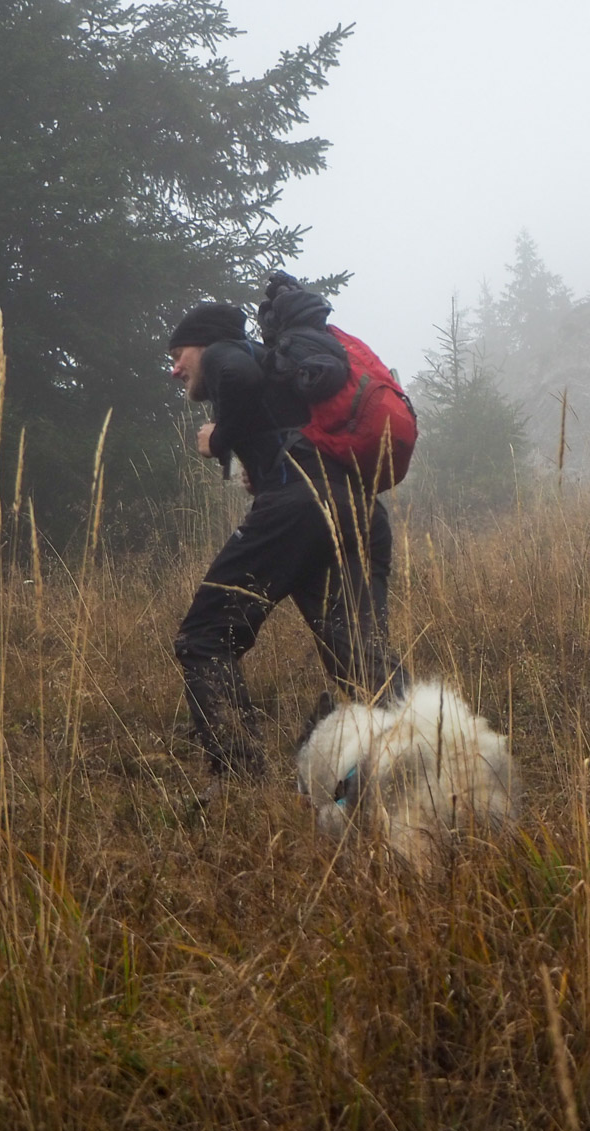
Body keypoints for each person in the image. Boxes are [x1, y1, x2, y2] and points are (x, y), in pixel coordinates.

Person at [167, 274, 404, 788]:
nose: (175, 368)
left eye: (180, 353)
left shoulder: (229, 353)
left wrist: (219, 439)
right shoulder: (272, 368)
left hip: (298, 511)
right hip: (359, 511)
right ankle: (427, 761)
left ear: (203, 344)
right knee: (361, 658)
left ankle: (238, 783)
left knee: (205, 638)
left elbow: (240, 382)